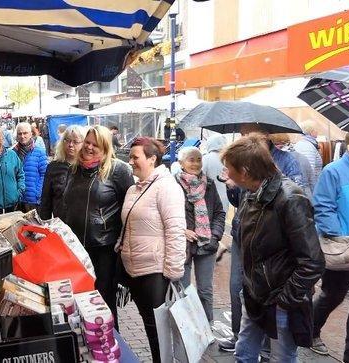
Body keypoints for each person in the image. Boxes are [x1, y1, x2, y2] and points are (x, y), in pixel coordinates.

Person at [221, 133, 324, 363]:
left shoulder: (290, 198)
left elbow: (313, 262)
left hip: (280, 300)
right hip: (254, 294)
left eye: (230, 169)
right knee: (244, 353)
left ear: (245, 171)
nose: (227, 174)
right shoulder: (252, 193)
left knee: (282, 358)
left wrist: (285, 299)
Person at [118, 137, 186, 362]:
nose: (131, 161)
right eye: (130, 157)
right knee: (149, 325)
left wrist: (173, 273)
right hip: (134, 270)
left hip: (156, 272)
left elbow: (176, 231)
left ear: (152, 159)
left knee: (159, 331)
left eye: (135, 157)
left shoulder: (167, 187)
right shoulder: (132, 190)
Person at [62, 126, 135, 329]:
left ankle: (111, 346)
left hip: (104, 248)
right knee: (78, 299)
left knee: (103, 301)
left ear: (105, 147)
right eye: (87, 142)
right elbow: (66, 204)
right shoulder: (73, 169)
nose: (89, 147)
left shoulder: (118, 170)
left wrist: (123, 244)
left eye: (95, 144)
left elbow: (128, 210)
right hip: (75, 248)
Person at [310, 132, 349, 362]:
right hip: (343, 249)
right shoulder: (333, 171)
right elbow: (322, 207)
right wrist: (339, 237)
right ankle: (311, 328)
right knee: (333, 296)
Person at [175, 146, 226, 323]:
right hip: (183, 245)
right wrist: (182, 230)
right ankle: (188, 329)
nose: (196, 163)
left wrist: (215, 236)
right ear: (181, 163)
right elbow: (166, 215)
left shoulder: (209, 184)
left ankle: (207, 326)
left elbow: (219, 213)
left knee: (205, 290)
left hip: (207, 245)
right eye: (191, 159)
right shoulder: (172, 185)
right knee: (184, 290)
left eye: (198, 159)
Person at [38, 125, 85, 220]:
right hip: (60, 224)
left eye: (75, 142)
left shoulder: (88, 168)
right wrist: (44, 225)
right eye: (67, 140)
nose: (70, 145)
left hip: (83, 226)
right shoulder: (53, 167)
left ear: (83, 144)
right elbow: (46, 201)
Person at [13, 122, 47, 212]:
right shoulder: (12, 152)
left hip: (33, 200)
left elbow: (44, 174)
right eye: (20, 133)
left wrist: (38, 193)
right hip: (17, 199)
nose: (22, 136)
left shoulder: (40, 152)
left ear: (31, 134)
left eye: (25, 133)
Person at [271, 133, 313, 197]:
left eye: (278, 144)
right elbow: (311, 179)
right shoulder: (302, 156)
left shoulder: (285, 159)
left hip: (293, 197)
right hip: (306, 194)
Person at [202, 134, 229, 212]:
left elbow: (200, 178)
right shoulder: (228, 159)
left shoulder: (206, 159)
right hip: (225, 198)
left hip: (209, 198)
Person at [294, 120, 324, 190]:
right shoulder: (306, 146)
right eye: (315, 130)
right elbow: (309, 171)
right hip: (310, 188)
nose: (317, 132)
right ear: (311, 132)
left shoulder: (307, 144)